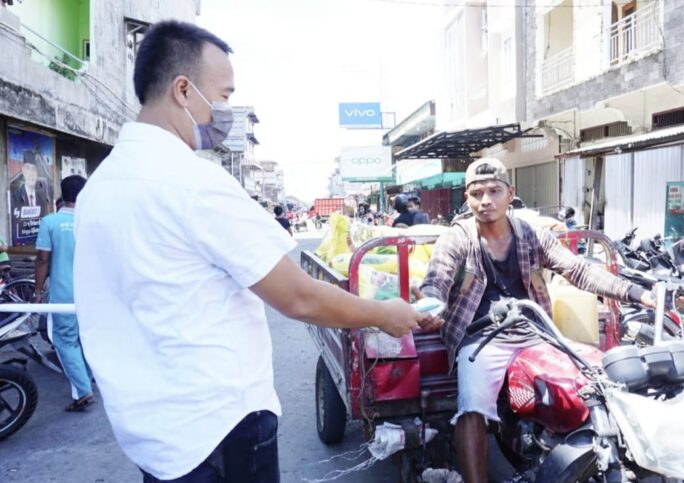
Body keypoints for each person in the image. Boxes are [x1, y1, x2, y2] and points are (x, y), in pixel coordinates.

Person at [72, 21, 432, 483]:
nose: (226, 112)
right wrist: (385, 315)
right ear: (183, 90)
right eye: (222, 97)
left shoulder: (100, 187)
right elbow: (299, 297)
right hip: (220, 430)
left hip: (155, 437)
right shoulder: (192, 182)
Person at [418, 158, 654, 483]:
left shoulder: (530, 234)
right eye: (477, 193)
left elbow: (578, 269)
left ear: (509, 193)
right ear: (467, 198)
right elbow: (437, 279)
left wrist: (635, 292)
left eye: (494, 191)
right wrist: (432, 306)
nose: (485, 200)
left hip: (534, 331)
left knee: (594, 382)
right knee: (472, 407)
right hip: (481, 339)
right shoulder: (458, 238)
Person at [34, 175, 94, 412]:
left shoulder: (50, 222)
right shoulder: (92, 221)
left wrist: (37, 292)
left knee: (65, 340)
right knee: (85, 339)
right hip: (92, 294)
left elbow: (42, 260)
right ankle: (86, 382)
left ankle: (82, 390)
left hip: (63, 295)